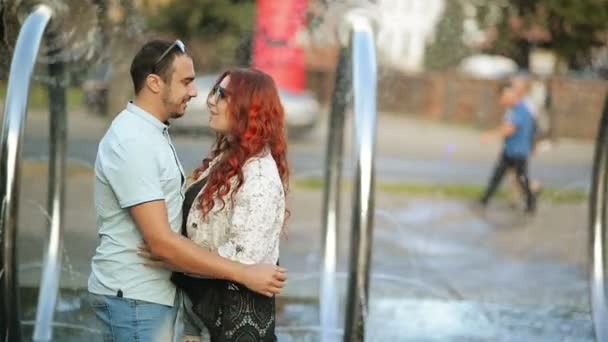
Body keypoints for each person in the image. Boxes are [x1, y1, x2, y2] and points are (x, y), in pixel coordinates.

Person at [87, 40, 287, 342]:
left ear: (249, 107)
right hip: (136, 299)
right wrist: (238, 273)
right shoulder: (134, 141)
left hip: (213, 314)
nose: (199, 95)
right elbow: (162, 243)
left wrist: (182, 266)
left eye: (222, 94)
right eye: (187, 82)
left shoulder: (253, 171)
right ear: (155, 83)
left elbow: (246, 251)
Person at [156, 68, 289, 342]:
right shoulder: (228, 160)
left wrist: (173, 256)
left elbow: (244, 258)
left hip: (230, 322)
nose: (211, 100)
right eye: (215, 91)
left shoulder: (260, 175)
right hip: (204, 314)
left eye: (223, 95)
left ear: (248, 108)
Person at [479, 81, 537, 214]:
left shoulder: (521, 109)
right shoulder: (511, 110)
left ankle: (531, 203)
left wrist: (489, 136)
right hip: (509, 150)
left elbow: (509, 129)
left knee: (522, 179)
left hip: (519, 151)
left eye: (504, 97)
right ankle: (485, 199)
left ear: (512, 95)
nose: (502, 100)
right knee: (497, 175)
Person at [506, 76, 543, 208]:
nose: (513, 88)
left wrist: (534, 144)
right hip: (513, 144)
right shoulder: (516, 102)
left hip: (523, 145)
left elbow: (535, 126)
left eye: (516, 86)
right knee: (514, 173)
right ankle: (515, 198)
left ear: (523, 88)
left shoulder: (528, 104)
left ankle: (534, 188)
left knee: (519, 174)